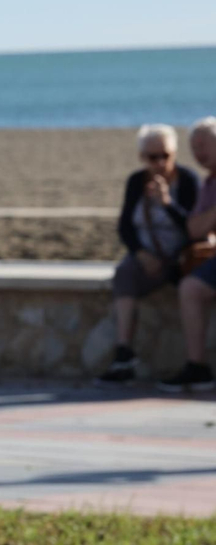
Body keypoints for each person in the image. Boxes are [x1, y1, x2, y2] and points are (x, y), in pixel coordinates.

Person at [94, 124, 202, 387]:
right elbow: (125, 227)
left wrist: (168, 204)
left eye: (166, 155)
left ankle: (196, 364)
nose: (160, 163)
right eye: (153, 157)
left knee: (191, 288)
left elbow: (194, 229)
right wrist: (141, 254)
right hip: (146, 257)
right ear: (142, 157)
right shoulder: (136, 182)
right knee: (124, 274)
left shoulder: (188, 181)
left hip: (180, 258)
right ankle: (123, 355)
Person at [157, 118, 216, 393]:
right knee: (191, 287)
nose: (199, 153)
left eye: (204, 145)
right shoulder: (208, 184)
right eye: (194, 147)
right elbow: (194, 229)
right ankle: (197, 367)